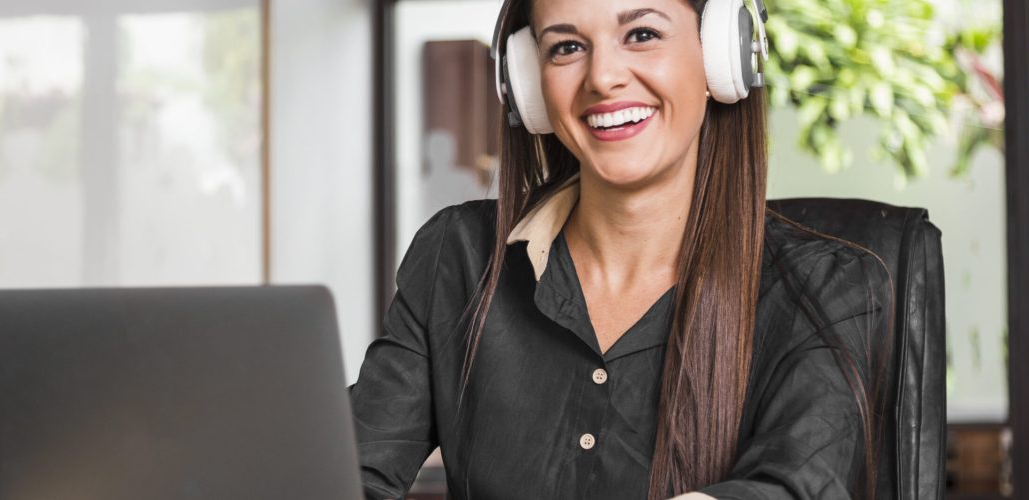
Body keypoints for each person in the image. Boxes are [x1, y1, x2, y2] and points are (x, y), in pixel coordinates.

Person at [348, 0, 893, 498]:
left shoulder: (826, 288)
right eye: (566, 47)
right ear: (530, 86)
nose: (604, 78)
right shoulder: (461, 257)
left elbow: (795, 483)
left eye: (642, 34)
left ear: (720, 56)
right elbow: (350, 472)